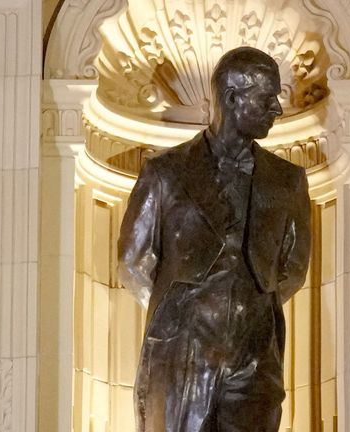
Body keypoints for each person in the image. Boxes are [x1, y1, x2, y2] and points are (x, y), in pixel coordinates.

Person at [117, 46, 311, 432]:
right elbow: (134, 263)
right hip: (181, 353)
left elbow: (292, 268)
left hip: (256, 354)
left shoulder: (287, 180)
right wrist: (182, 314)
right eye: (266, 97)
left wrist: (245, 308)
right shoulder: (165, 173)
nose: (277, 109)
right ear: (232, 97)